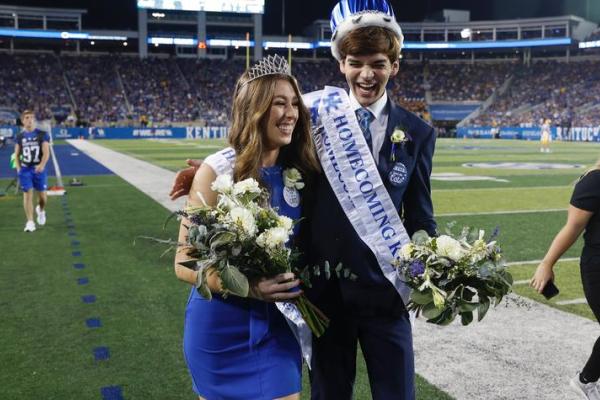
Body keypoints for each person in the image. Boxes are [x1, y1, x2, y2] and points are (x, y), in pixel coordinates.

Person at [169, 1, 436, 398]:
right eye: (356, 62)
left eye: (378, 63)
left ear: (394, 66)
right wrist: (207, 175)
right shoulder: (317, 118)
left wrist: (432, 264)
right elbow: (256, 144)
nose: (367, 73)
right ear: (341, 65)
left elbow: (420, 214)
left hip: (384, 295)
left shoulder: (418, 132)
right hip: (322, 296)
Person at [174, 55, 321, 400]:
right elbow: (184, 261)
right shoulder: (216, 171)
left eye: (294, 104)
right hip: (219, 328)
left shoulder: (303, 171)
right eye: (278, 104)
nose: (290, 114)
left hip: (277, 328)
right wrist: (251, 287)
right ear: (254, 109)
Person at [530, 160, 600, 400]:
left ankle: (586, 380)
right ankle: (585, 381)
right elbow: (572, 227)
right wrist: (546, 264)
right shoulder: (594, 180)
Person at [14, 110, 50, 232]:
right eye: (27, 117)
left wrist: (42, 164)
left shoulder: (42, 134)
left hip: (39, 169)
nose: (30, 120)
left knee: (42, 198)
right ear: (23, 121)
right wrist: (19, 168)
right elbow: (16, 154)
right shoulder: (20, 136)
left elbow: (46, 152)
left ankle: (41, 210)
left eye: (32, 117)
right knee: (27, 194)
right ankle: (30, 222)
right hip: (25, 169)